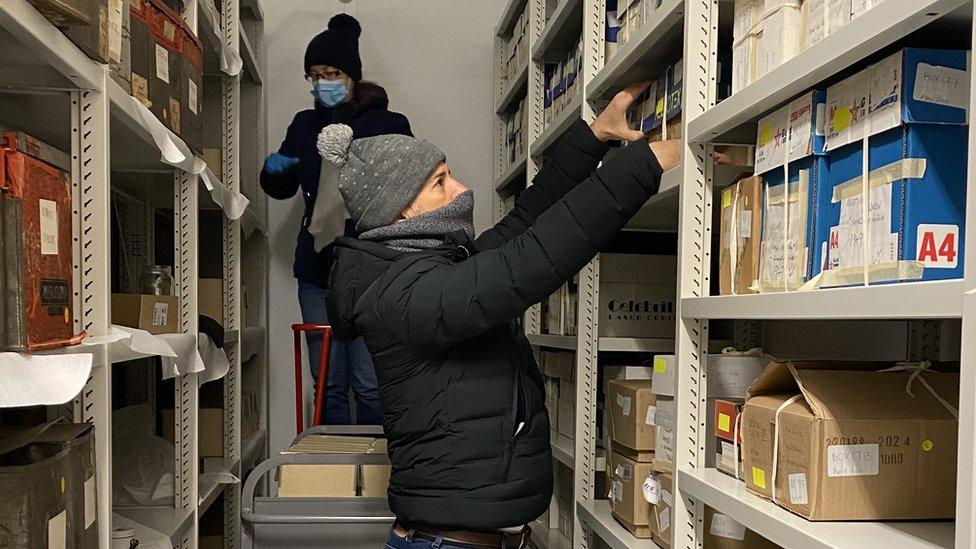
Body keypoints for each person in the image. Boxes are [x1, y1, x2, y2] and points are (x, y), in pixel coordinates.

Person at [321, 82, 682, 548]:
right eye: (440, 183)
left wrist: (594, 138)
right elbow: (527, 262)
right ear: (401, 210)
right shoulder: (403, 295)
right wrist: (644, 165)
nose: (462, 189)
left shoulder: (432, 269)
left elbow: (523, 224)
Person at [260, 13, 411, 425]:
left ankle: (376, 472)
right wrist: (275, 170)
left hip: (371, 271)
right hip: (317, 269)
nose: (321, 82)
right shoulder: (304, 124)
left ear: (352, 75)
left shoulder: (387, 124)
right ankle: (330, 472)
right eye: (313, 75)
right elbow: (281, 187)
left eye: (331, 72)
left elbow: (407, 185)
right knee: (327, 380)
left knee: (369, 383)